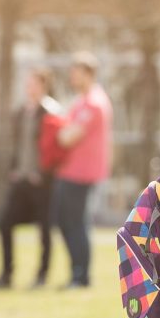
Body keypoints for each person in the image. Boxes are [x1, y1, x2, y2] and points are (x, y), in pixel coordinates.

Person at [0, 68, 61, 289]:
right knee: (5, 223)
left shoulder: (51, 112)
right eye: (28, 84)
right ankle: (6, 275)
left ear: (43, 85)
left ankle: (41, 276)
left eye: (33, 83)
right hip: (21, 179)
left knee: (44, 229)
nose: (29, 88)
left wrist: (42, 173)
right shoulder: (21, 112)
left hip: (41, 181)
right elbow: (16, 146)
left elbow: (55, 148)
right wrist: (14, 170)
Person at [52, 52, 112, 289]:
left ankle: (81, 276)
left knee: (77, 223)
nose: (72, 77)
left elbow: (68, 137)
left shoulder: (94, 103)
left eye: (76, 73)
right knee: (65, 222)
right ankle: (75, 273)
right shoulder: (80, 101)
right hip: (69, 171)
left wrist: (59, 132)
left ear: (88, 74)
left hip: (82, 173)